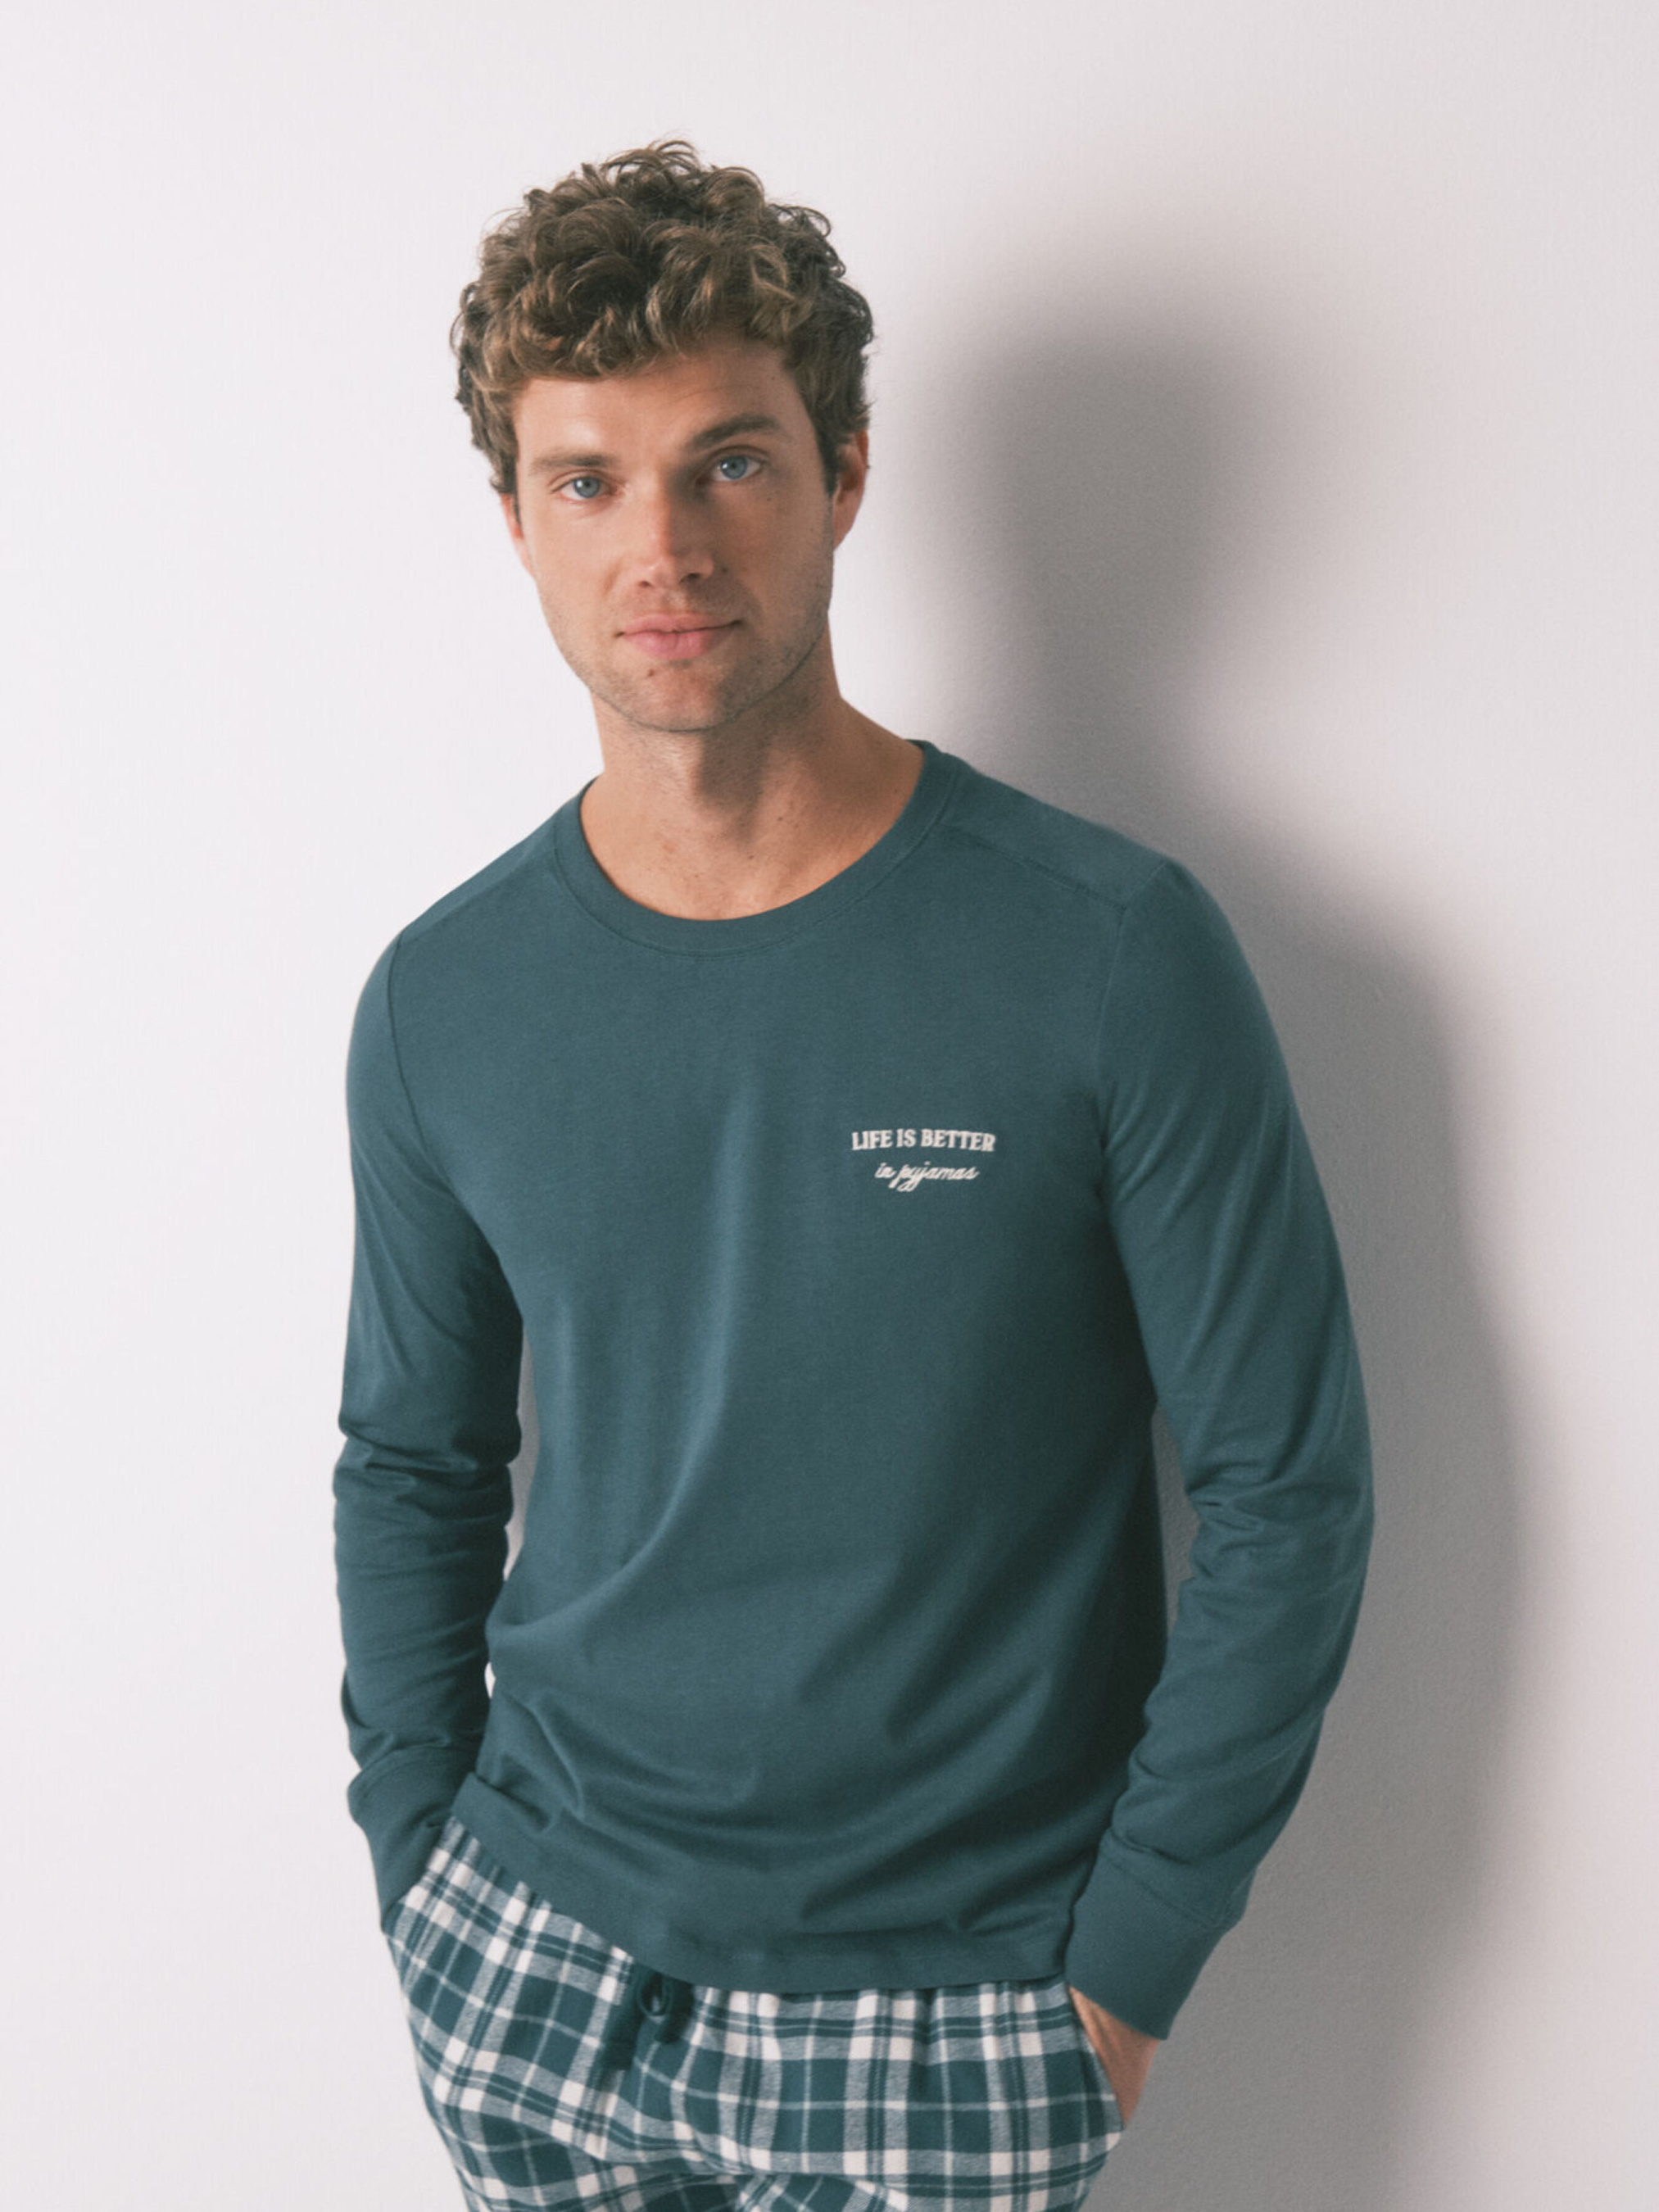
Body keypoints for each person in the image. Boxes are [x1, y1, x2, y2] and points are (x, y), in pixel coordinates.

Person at [332, 139, 1374, 2212]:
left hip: (950, 2011)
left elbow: (1286, 1484)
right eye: (587, 480)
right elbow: (415, 1465)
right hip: (533, 1965)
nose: (662, 546)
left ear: (844, 477)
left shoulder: (1103, 951)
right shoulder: (444, 998)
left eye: (728, 463)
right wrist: (418, 1865)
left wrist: (1123, 1970)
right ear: (518, 521)